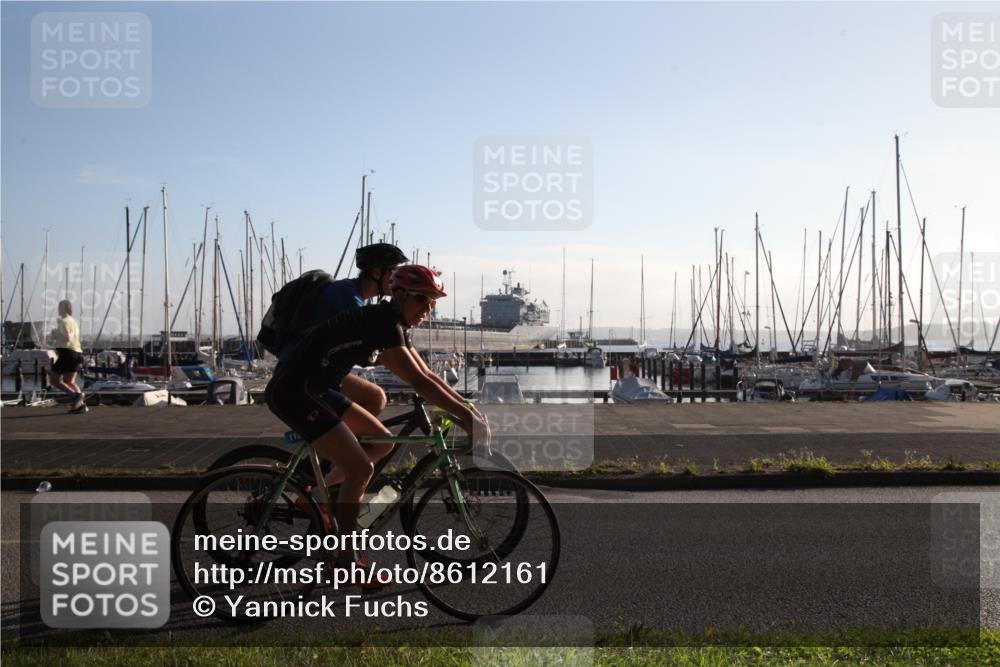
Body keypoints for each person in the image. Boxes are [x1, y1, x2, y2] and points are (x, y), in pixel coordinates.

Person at [265, 265, 490, 571]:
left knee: (382, 442)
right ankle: (347, 560)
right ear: (399, 295)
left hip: (315, 387)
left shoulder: (392, 323)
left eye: (432, 303)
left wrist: (468, 409)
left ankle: (317, 497)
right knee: (359, 468)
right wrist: (465, 417)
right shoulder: (383, 323)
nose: (428, 309)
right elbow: (420, 384)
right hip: (296, 390)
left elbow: (425, 375)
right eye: (421, 300)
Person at [277, 243, 409, 420]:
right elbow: (367, 352)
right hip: (303, 373)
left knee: (373, 398)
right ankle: (335, 442)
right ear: (377, 273)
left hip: (315, 368)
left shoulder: (355, 295)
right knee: (375, 398)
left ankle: (336, 439)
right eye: (394, 271)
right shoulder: (348, 298)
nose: (397, 278)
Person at [49, 300, 87, 413]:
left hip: (67, 353)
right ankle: (80, 406)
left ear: (62, 309)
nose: (58, 310)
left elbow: (68, 337)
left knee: (54, 380)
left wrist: (56, 332)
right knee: (70, 381)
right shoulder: (73, 322)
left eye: (59, 307)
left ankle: (74, 396)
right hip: (76, 353)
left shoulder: (64, 322)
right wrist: (57, 331)